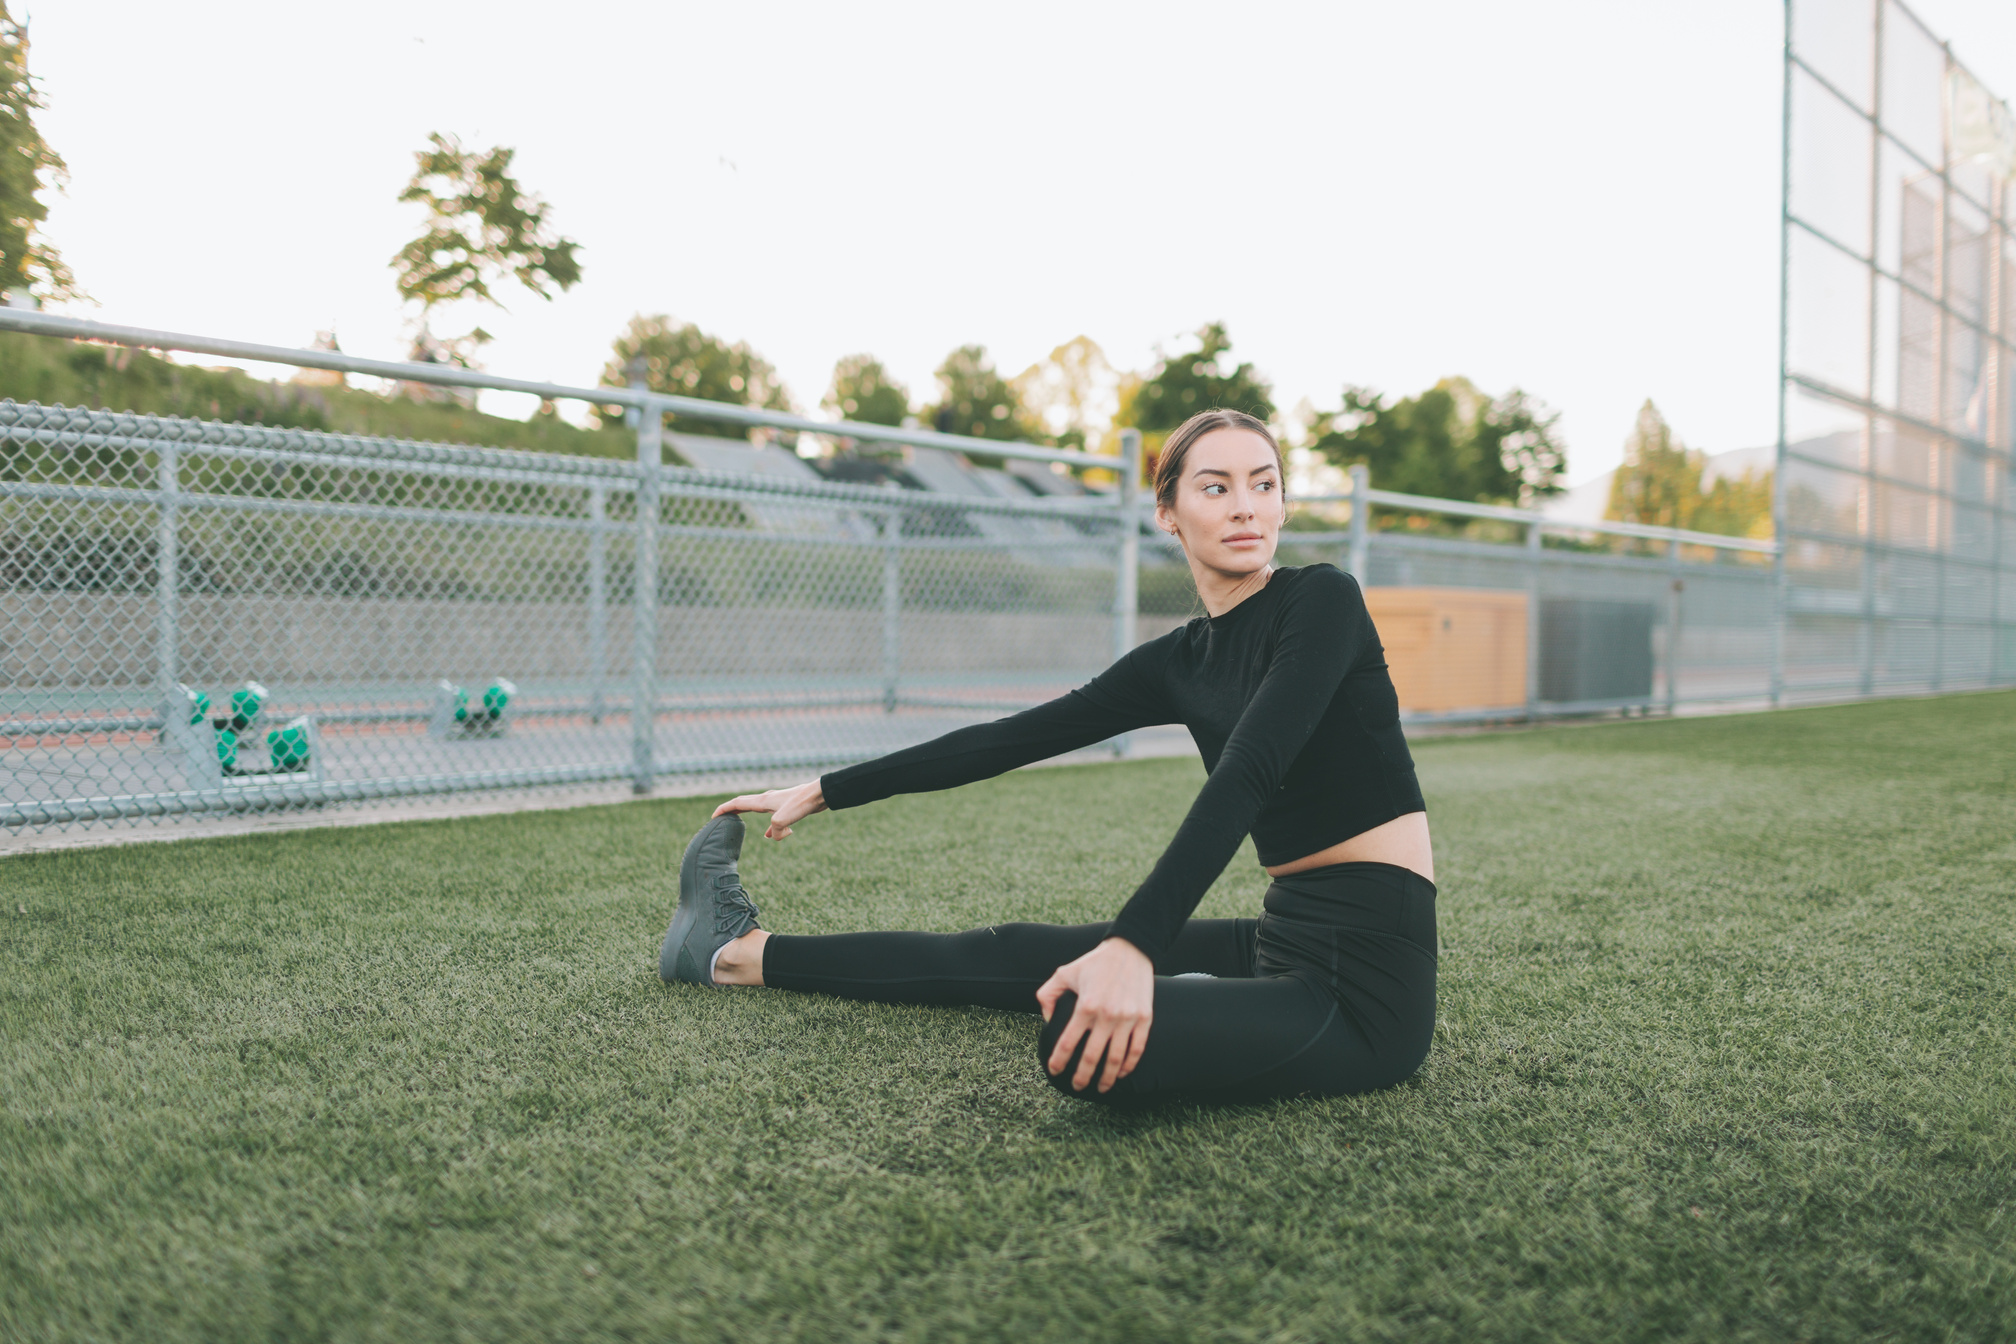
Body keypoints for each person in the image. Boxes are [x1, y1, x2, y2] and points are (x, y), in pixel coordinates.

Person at [659, 409, 1437, 1105]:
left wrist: (1134, 949)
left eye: (1263, 485)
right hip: (1281, 933)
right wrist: (829, 787)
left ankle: (1189, 996)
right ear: (1167, 511)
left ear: (1283, 502)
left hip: (1364, 983)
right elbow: (1009, 739)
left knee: (1077, 1035)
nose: (1245, 506)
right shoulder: (1178, 659)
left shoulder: (1322, 600)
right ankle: (736, 955)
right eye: (1216, 486)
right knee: (1016, 951)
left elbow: (1249, 771)